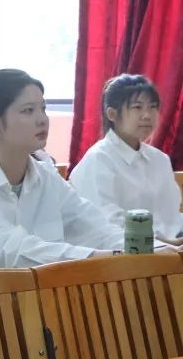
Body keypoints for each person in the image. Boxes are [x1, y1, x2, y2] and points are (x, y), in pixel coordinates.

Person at [0, 69, 123, 270]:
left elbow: (95, 228)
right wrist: (100, 257)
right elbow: (11, 253)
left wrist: (138, 248)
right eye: (28, 111)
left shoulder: (46, 176)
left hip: (34, 289)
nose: (42, 119)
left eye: (43, 109)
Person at [70, 74, 183, 245]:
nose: (147, 115)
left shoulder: (160, 159)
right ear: (112, 114)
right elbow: (106, 225)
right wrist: (162, 243)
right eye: (137, 107)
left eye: (153, 107)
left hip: (169, 246)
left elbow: (171, 216)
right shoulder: (98, 161)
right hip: (123, 252)